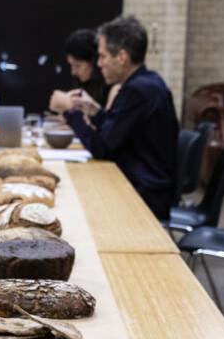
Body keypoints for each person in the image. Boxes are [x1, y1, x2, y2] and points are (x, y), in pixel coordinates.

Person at [62, 15, 178, 220]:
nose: (99, 64)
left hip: (145, 196)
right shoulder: (147, 82)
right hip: (148, 187)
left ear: (122, 57)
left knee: (72, 200)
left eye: (103, 56)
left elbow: (102, 148)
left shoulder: (137, 91)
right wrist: (94, 111)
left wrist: (70, 111)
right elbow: (116, 129)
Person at [49, 29, 107, 114]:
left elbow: (104, 126)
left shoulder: (113, 88)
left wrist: (69, 107)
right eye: (71, 65)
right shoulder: (84, 84)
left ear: (94, 61)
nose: (73, 72)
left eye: (77, 66)